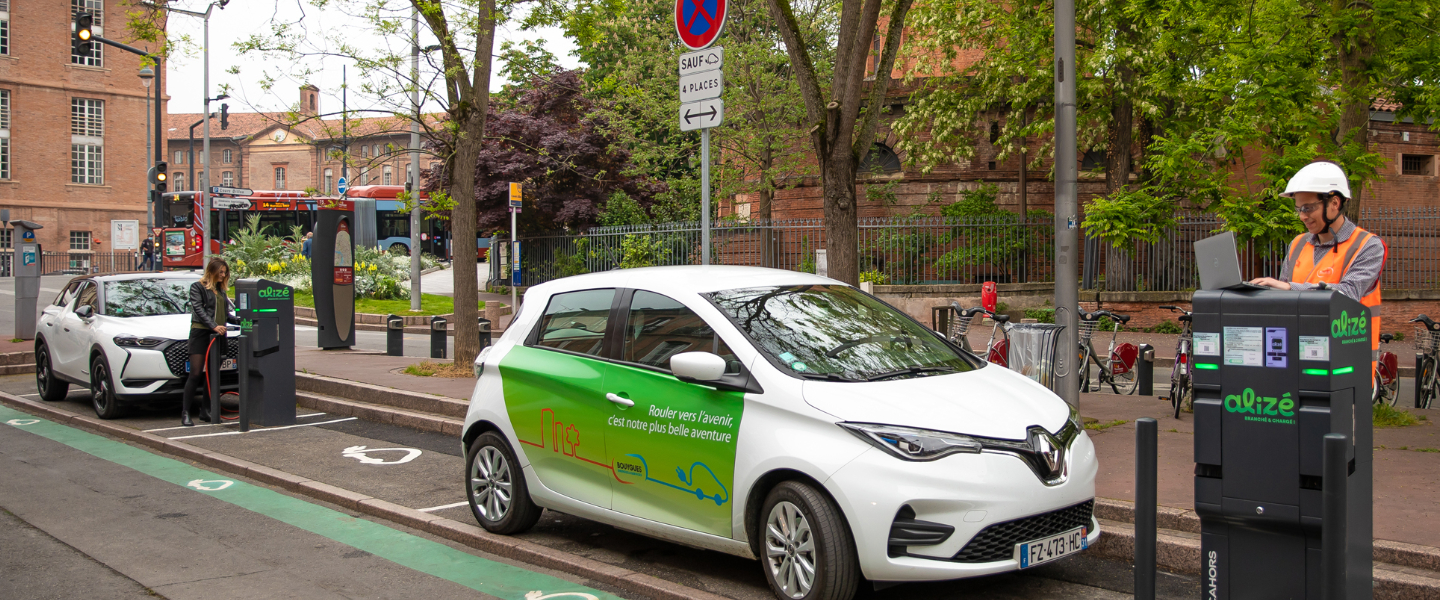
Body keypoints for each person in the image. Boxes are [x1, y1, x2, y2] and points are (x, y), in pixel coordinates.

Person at [1249, 161, 1387, 359]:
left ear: (1335, 203)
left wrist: (1289, 288)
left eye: (1308, 208)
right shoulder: (1297, 244)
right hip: (1298, 356)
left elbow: (1348, 294)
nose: (1303, 216)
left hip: (1349, 360)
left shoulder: (1368, 245)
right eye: (1299, 209)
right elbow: (1283, 302)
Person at [181, 258, 240, 426]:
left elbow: (226, 315)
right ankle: (185, 413)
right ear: (212, 271)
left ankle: (206, 411)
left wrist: (242, 321)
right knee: (195, 373)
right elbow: (198, 309)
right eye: (220, 272)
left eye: (225, 272)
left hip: (218, 335)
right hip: (202, 333)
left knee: (213, 375)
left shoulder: (221, 290)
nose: (223, 275)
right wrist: (213, 326)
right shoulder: (198, 287)